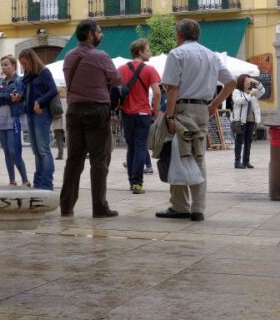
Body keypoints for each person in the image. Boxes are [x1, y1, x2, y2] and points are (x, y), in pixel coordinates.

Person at [156, 19, 236, 221]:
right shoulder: (211, 55)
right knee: (198, 156)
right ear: (197, 35)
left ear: (179, 34)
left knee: (179, 155)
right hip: (202, 109)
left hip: (181, 108)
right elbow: (232, 82)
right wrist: (215, 104)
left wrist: (170, 115)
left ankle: (180, 206)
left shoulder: (177, 53)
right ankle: (198, 208)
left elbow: (172, 88)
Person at [60, 19, 122, 218]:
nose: (101, 35)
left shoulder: (68, 56)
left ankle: (67, 206)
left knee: (74, 160)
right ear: (89, 34)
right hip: (96, 110)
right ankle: (99, 206)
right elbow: (116, 79)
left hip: (74, 110)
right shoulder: (100, 56)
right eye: (99, 31)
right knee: (99, 160)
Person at [118, 39, 161, 195]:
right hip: (143, 113)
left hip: (126, 113)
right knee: (141, 146)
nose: (149, 52)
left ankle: (132, 181)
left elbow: (114, 90)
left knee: (131, 148)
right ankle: (137, 183)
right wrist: (155, 110)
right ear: (140, 52)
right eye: (147, 50)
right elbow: (157, 92)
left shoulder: (121, 69)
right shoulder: (149, 70)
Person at [18, 49, 58, 191]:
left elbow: (53, 90)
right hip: (30, 114)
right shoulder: (28, 75)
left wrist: (39, 101)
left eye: (24, 63)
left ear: (31, 60)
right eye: (21, 64)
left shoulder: (44, 72)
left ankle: (47, 184)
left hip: (42, 114)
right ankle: (38, 183)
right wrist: (20, 97)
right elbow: (29, 93)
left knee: (43, 150)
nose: (23, 66)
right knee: (36, 151)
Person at [0, 55, 29, 186]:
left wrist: (3, 96)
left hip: (14, 118)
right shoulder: (0, 82)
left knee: (14, 150)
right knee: (6, 151)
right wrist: (8, 96)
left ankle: (25, 180)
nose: (3, 67)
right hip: (1, 119)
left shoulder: (20, 80)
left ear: (14, 65)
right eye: (2, 65)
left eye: (6, 64)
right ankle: (12, 180)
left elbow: (20, 96)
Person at [232, 74, 265, 169]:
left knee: (248, 141)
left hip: (251, 120)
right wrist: (250, 95)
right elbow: (239, 101)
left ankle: (246, 161)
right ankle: (237, 162)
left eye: (249, 81)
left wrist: (256, 82)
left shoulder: (253, 92)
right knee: (239, 141)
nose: (248, 83)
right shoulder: (236, 92)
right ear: (241, 82)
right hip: (240, 121)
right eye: (246, 81)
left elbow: (262, 91)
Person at [52, 88, 66, 160]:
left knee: (59, 139)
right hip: (66, 123)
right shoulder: (67, 101)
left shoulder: (56, 100)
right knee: (68, 139)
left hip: (57, 121)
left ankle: (60, 154)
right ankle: (70, 154)